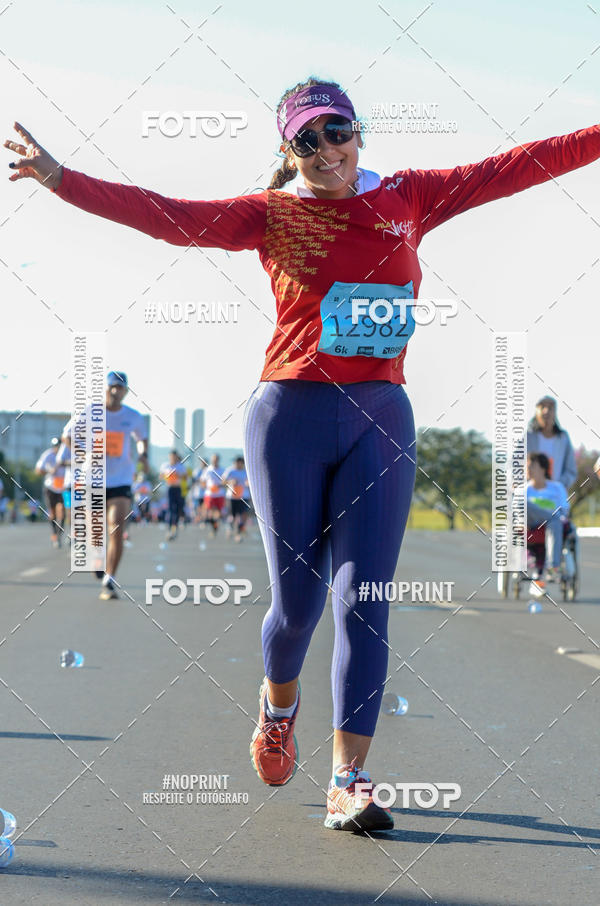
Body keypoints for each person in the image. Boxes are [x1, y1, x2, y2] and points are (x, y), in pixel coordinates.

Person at [6, 84, 600, 832]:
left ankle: (348, 778)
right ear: (290, 152)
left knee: (365, 605)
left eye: (336, 131)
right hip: (289, 417)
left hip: (381, 416)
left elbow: (524, 163)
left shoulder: (414, 196)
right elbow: (166, 218)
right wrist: (63, 180)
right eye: (307, 141)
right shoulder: (273, 214)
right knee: (298, 607)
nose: (326, 150)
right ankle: (277, 708)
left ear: (359, 130)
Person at [61, 371, 148, 600]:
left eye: (121, 388)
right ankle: (96, 558)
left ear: (126, 392)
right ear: (106, 388)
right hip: (93, 479)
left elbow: (141, 439)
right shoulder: (91, 411)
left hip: (121, 480)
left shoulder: (133, 416)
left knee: (117, 527)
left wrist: (144, 454)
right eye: (113, 387)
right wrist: (82, 452)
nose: (117, 391)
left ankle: (110, 579)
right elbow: (67, 435)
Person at [526, 452, 570, 583]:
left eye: (531, 466)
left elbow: (564, 509)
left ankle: (552, 568)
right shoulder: (524, 490)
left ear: (543, 469)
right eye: (527, 466)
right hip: (531, 523)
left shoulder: (557, 488)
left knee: (555, 521)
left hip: (552, 524)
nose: (528, 469)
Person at [527, 396, 576, 490]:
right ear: (536, 412)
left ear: (555, 412)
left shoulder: (563, 438)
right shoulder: (528, 437)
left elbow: (571, 470)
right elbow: (513, 466)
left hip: (554, 497)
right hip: (530, 496)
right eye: (542, 407)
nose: (546, 411)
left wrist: (558, 486)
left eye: (550, 408)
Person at [35, 437, 65, 547]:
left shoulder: (66, 455)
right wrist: (49, 471)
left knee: (62, 511)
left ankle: (59, 536)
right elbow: (38, 470)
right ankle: (54, 534)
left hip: (63, 488)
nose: (58, 449)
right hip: (50, 488)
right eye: (56, 447)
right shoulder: (48, 455)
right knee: (52, 513)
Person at [222, 456, 251, 541]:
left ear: (243, 463)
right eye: (235, 463)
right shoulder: (230, 470)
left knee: (243, 515)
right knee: (233, 516)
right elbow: (223, 481)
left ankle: (238, 534)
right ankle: (229, 528)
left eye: (239, 463)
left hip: (244, 496)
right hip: (232, 496)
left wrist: (248, 483)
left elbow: (250, 482)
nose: (237, 464)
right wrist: (231, 482)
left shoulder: (246, 471)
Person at [159, 450, 186, 540]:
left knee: (177, 509)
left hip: (177, 489)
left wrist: (178, 475)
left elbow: (185, 477)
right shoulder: (165, 465)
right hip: (169, 488)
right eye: (171, 456)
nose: (173, 458)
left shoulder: (180, 466)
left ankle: (175, 528)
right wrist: (167, 475)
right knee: (170, 509)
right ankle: (169, 529)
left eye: (174, 456)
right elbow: (161, 476)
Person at [200, 454, 225, 537]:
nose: (215, 461)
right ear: (211, 460)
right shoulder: (207, 470)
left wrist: (220, 485)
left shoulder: (222, 470)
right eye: (213, 459)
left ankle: (215, 526)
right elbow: (202, 481)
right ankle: (214, 526)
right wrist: (206, 486)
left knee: (218, 513)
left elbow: (225, 481)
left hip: (219, 494)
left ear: (218, 460)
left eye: (216, 459)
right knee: (209, 512)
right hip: (209, 494)